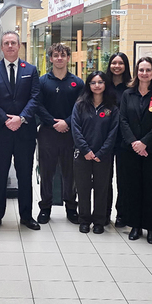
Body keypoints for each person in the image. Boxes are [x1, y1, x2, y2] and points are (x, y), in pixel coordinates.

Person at [0, 31, 41, 231]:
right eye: (6, 43)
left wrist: (21, 118)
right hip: (1, 131)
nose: (9, 46)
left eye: (13, 43)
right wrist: (6, 119)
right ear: (1, 47)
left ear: (19, 46)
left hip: (24, 132)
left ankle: (26, 216)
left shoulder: (31, 70)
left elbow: (35, 98)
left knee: (25, 175)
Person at [118, 57, 152, 244]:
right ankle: (136, 225)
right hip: (130, 150)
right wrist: (134, 143)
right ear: (136, 72)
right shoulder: (127, 94)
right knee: (133, 187)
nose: (144, 73)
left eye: (148, 70)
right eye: (141, 70)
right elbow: (122, 120)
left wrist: (144, 143)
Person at [35, 43, 83, 225]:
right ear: (50, 58)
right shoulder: (42, 82)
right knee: (47, 172)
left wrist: (67, 122)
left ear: (68, 58)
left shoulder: (77, 83)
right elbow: (37, 106)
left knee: (70, 173)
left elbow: (80, 108)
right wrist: (53, 122)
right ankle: (45, 207)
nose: (60, 58)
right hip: (47, 133)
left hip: (70, 134)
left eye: (63, 55)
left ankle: (71, 208)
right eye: (56, 55)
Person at [71, 71, 120, 234]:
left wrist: (102, 152)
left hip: (103, 156)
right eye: (93, 82)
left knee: (102, 188)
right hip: (82, 155)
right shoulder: (80, 104)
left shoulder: (112, 107)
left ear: (105, 84)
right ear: (88, 85)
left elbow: (113, 132)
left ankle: (99, 221)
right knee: (83, 188)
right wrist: (85, 150)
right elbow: (76, 129)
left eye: (100, 82)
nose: (97, 85)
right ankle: (84, 219)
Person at [104, 52, 131, 228]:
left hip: (124, 139)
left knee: (124, 178)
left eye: (120, 63)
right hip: (105, 138)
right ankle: (104, 213)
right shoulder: (102, 85)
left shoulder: (130, 87)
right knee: (104, 178)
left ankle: (122, 213)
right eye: (114, 63)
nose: (117, 66)